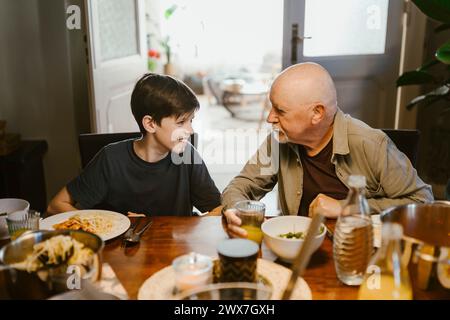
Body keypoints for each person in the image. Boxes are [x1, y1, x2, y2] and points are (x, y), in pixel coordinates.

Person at [222, 62, 433, 238]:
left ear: (317, 113)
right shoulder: (279, 141)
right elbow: (241, 185)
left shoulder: (371, 144)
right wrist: (232, 208)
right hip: (297, 249)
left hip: (356, 252)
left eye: (280, 110)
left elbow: (423, 203)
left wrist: (346, 208)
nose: (270, 118)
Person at [48, 73, 221, 216]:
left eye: (191, 121)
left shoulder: (187, 156)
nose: (190, 130)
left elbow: (218, 209)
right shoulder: (111, 159)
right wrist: (114, 222)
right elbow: (56, 205)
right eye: (181, 122)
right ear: (150, 123)